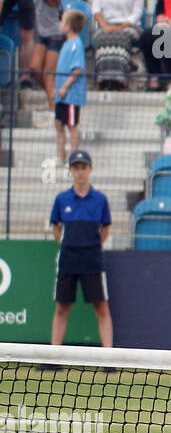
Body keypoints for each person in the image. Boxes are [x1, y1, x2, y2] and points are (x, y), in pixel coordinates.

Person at [49, 149, 112, 348]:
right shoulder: (62, 199)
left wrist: (90, 246)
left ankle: (108, 358)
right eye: (76, 167)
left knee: (101, 307)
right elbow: (56, 227)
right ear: (70, 171)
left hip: (92, 260)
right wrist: (68, 245)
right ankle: (53, 357)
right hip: (68, 260)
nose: (80, 172)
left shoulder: (100, 200)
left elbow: (106, 229)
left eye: (83, 167)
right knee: (62, 308)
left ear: (90, 169)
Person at [0, 0, 62, 114]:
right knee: (34, 68)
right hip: (43, 36)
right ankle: (52, 94)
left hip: (55, 37)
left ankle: (54, 108)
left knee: (48, 73)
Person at [90, 0, 144, 90]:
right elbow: (96, 7)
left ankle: (121, 83)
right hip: (106, 24)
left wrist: (122, 26)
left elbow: (137, 11)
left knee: (121, 37)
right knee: (102, 37)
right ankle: (102, 82)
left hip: (129, 25)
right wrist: (104, 25)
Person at [53, 7, 88, 165]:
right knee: (59, 124)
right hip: (61, 95)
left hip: (70, 95)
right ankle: (60, 156)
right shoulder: (66, 44)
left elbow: (77, 69)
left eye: (62, 21)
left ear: (68, 26)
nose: (59, 24)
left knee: (72, 125)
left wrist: (66, 86)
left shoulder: (76, 45)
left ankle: (74, 157)